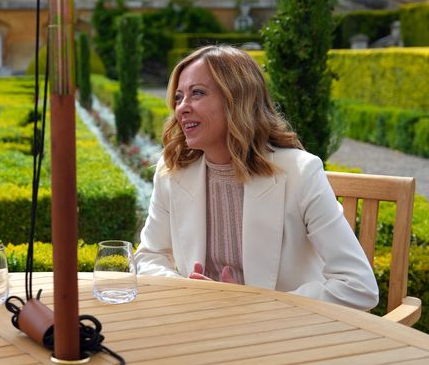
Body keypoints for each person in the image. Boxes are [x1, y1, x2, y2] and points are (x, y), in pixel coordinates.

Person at [135, 45, 379, 310]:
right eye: (179, 97)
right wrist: (191, 291)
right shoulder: (172, 172)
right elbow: (149, 257)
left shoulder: (300, 173)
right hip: (203, 323)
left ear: (237, 99)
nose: (182, 108)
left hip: (283, 334)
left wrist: (257, 304)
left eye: (197, 93)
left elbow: (359, 286)